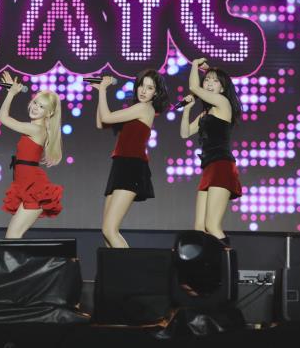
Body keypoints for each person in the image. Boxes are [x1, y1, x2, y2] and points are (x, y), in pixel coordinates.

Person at [92, 70, 169, 248]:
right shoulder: (134, 110)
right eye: (141, 85)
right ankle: (115, 267)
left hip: (132, 166)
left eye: (149, 88)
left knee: (110, 230)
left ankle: (130, 266)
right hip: (120, 165)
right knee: (106, 232)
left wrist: (103, 90)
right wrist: (101, 92)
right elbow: (101, 123)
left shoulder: (144, 108)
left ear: (156, 93)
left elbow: (106, 116)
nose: (143, 90)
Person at [180, 58, 242, 245]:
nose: (209, 83)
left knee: (212, 225)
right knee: (199, 228)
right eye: (207, 79)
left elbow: (193, 86)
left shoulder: (223, 103)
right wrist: (186, 110)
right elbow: (185, 133)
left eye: (215, 81)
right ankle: (207, 263)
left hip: (222, 166)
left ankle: (229, 262)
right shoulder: (205, 114)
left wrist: (194, 64)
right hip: (209, 168)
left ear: (222, 88)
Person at [0, 72, 64, 238]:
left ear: (49, 113)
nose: (35, 107)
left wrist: (11, 93)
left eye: (42, 107)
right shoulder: (35, 128)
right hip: (25, 185)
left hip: (33, 188)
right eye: (35, 103)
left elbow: (2, 118)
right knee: (13, 237)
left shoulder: (35, 129)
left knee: (12, 237)